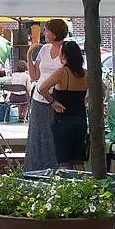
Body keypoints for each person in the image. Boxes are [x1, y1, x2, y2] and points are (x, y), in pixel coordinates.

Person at [37, 39, 89, 170]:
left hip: (63, 120)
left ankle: (66, 188)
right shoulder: (85, 74)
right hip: (81, 120)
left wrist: (53, 102)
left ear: (65, 56)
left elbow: (42, 88)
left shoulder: (62, 72)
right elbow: (102, 87)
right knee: (79, 161)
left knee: (64, 161)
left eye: (61, 53)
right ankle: (83, 188)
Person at [25, 19, 67, 171]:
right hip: (39, 99)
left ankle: (54, 170)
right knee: (37, 137)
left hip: (56, 99)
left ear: (54, 33)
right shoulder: (43, 50)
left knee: (53, 137)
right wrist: (29, 55)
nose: (44, 33)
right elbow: (35, 75)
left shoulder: (66, 50)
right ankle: (34, 170)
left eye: (47, 30)